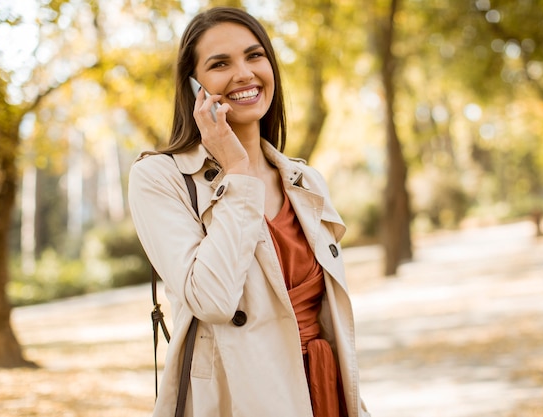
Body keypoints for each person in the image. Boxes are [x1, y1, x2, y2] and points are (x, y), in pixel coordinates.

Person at [128, 6, 370, 417]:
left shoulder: (304, 180)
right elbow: (213, 300)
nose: (243, 74)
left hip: (324, 387)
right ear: (193, 87)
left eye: (254, 56)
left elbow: (330, 318)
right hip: (241, 396)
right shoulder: (159, 177)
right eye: (220, 64)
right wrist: (237, 173)